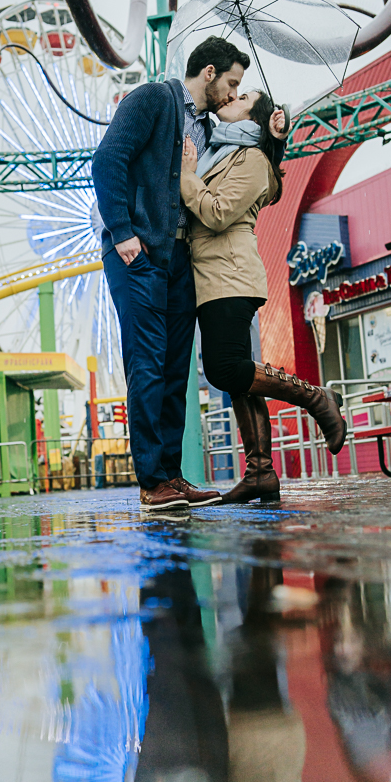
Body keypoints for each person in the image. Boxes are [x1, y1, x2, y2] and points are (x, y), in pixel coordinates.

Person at [92, 36, 252, 511]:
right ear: (207, 73)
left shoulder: (208, 127)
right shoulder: (152, 100)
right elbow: (107, 161)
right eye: (231, 82)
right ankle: (150, 482)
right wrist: (123, 232)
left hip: (180, 259)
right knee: (147, 364)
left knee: (175, 370)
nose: (232, 92)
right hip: (136, 253)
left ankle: (172, 476)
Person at [180, 89, 347, 505]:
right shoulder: (224, 151)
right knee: (240, 379)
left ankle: (316, 398)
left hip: (230, 273)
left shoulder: (252, 160)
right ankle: (260, 472)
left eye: (243, 97)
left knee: (224, 370)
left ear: (255, 117)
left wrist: (186, 176)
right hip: (213, 274)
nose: (232, 97)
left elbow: (217, 212)